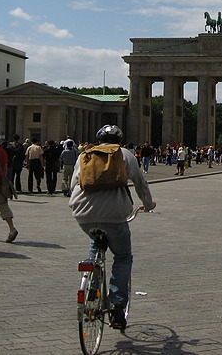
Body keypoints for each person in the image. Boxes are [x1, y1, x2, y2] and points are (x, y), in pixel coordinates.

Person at [69, 125, 156, 331]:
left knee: (96, 239)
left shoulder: (85, 155)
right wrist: (149, 204)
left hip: (83, 214)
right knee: (123, 256)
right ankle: (117, 306)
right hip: (115, 215)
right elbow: (140, 184)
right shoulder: (124, 154)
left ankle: (91, 286)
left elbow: (74, 184)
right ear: (120, 139)